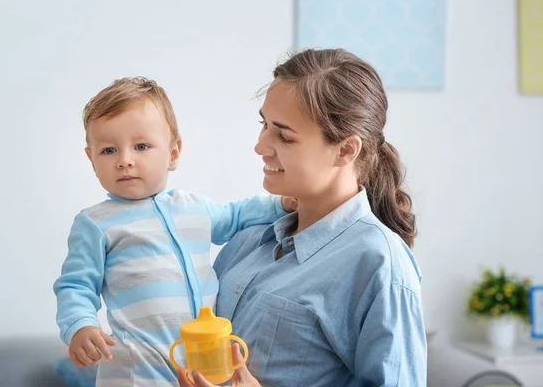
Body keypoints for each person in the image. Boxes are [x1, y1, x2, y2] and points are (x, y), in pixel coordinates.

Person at [177, 48, 427, 387]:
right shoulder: (248, 240)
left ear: (345, 150)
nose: (260, 145)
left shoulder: (380, 264)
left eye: (284, 135)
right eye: (264, 124)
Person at [53, 77, 297, 387]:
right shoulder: (96, 223)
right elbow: (75, 285)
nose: (125, 160)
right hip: (138, 373)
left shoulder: (194, 208)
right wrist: (79, 326)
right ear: (91, 159)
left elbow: (237, 215)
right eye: (108, 150)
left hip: (203, 366)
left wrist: (280, 204)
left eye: (141, 146)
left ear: (173, 152)